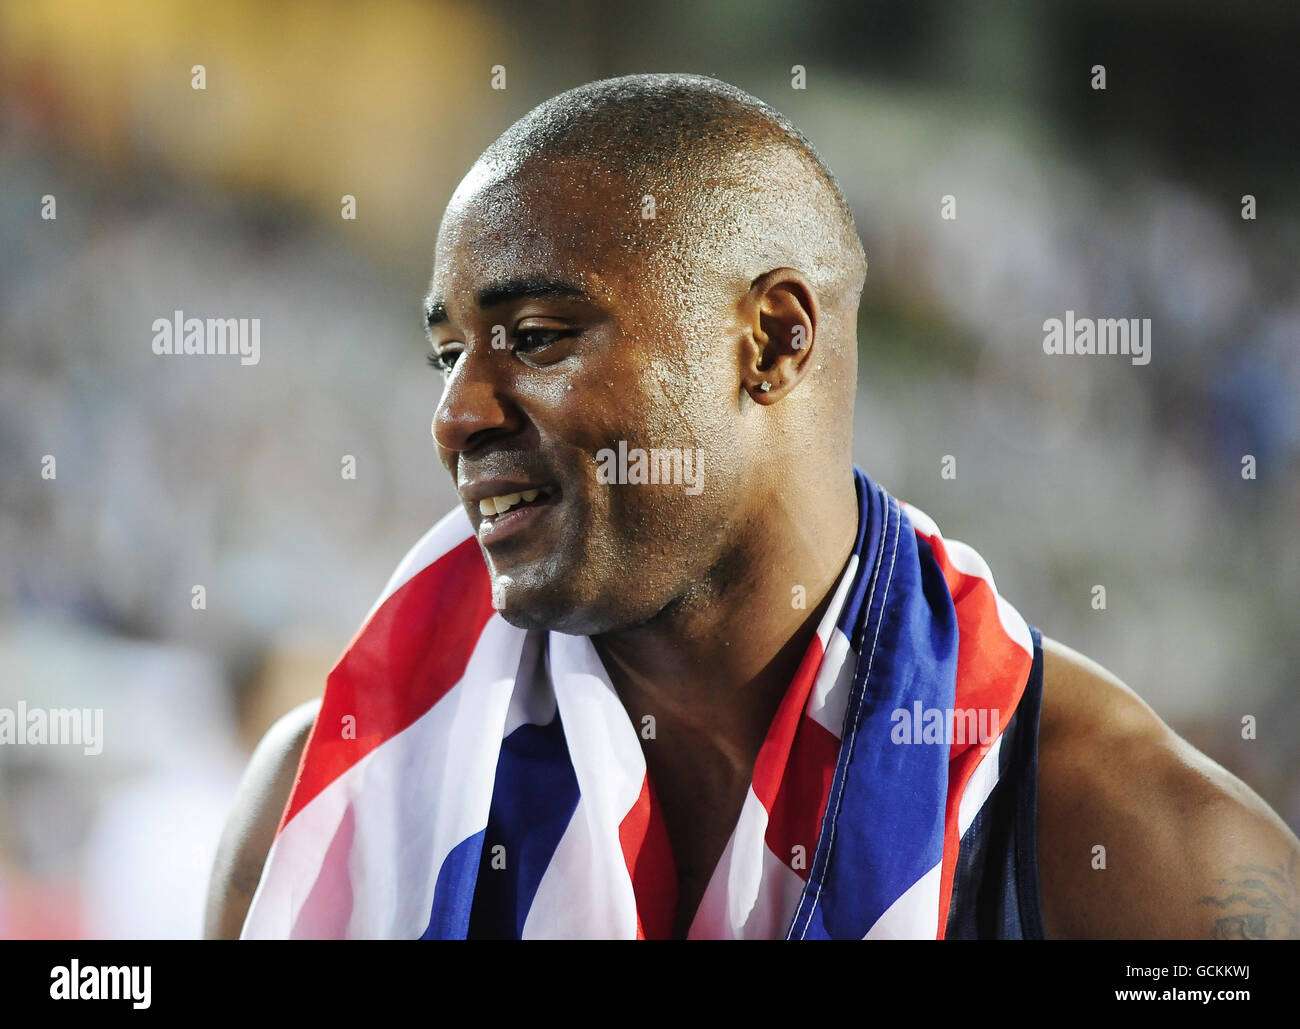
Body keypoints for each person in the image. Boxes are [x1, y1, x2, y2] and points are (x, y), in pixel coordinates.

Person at [206, 74, 1299, 940]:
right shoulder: (323, 803)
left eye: (535, 337)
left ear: (775, 338)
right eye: (446, 354)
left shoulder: (1139, 854)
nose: (456, 414)